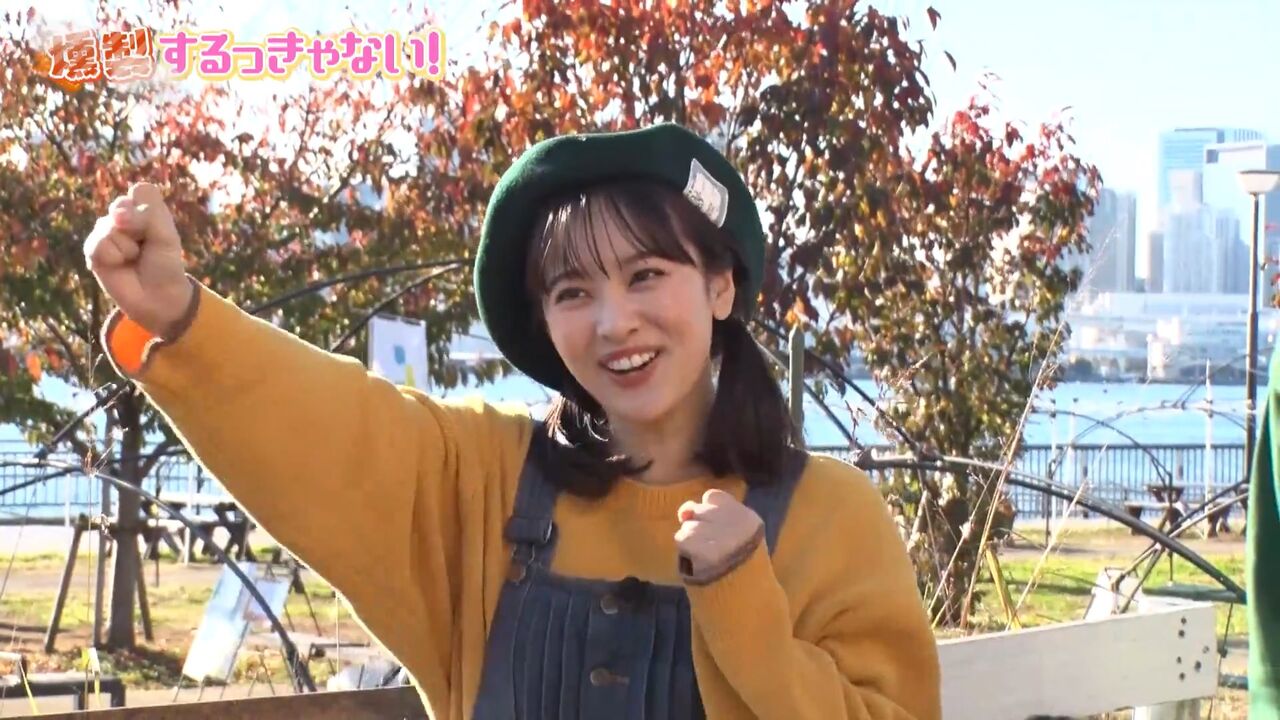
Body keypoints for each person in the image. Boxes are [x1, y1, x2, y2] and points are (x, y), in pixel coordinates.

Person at [86, 122, 942, 719]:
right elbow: (330, 427)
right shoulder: (484, 481)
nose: (613, 323)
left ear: (720, 286)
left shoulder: (832, 517)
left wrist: (743, 601)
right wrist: (179, 314)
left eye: (646, 276)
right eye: (573, 292)